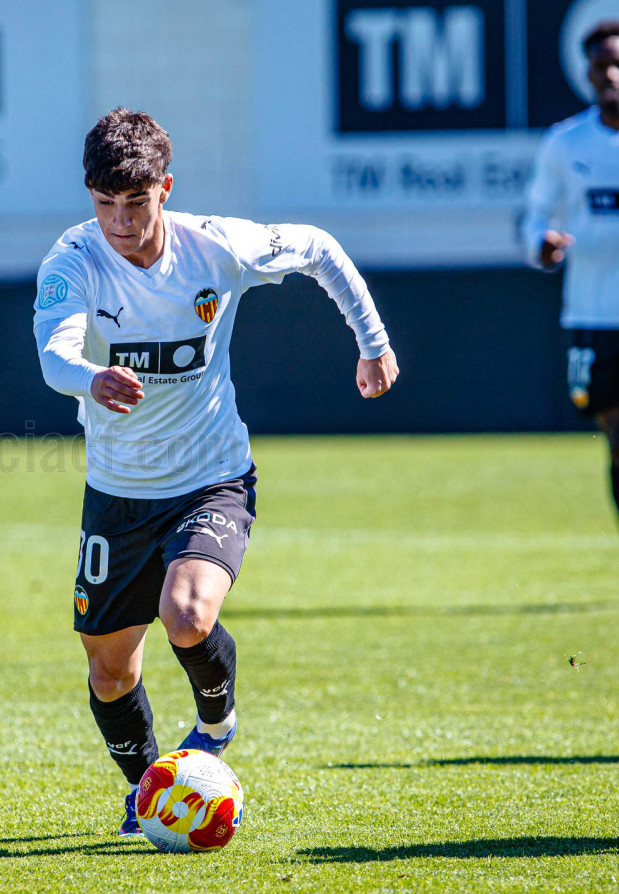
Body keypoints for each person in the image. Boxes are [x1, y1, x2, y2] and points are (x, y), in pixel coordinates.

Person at [33, 108, 398, 836]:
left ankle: (215, 722)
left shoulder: (216, 247)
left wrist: (373, 341)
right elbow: (53, 354)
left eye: (136, 202)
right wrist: (90, 377)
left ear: (165, 189)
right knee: (110, 670)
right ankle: (150, 791)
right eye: (105, 203)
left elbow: (318, 248)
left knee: (188, 614)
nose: (120, 221)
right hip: (118, 494)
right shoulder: (71, 260)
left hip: (211, 478)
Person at [523, 20, 619, 611]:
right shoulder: (566, 143)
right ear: (588, 74)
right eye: (601, 66)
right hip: (595, 315)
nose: (612, 75)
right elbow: (535, 215)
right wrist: (541, 244)